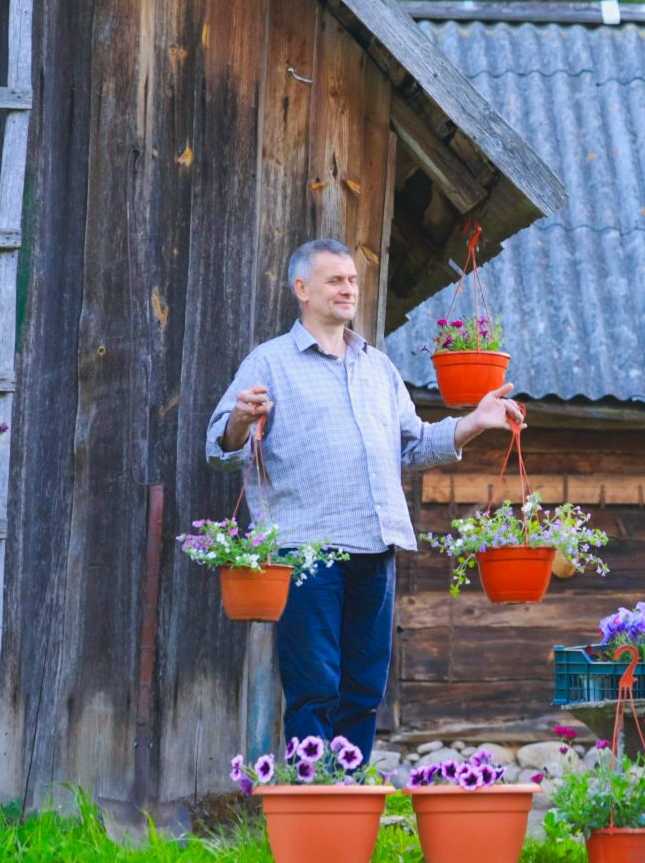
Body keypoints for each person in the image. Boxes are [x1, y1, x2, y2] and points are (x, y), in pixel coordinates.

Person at [206, 238, 523, 758]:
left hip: (375, 548)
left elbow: (414, 445)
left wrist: (473, 422)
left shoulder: (378, 367)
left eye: (352, 280)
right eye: (335, 280)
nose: (348, 289)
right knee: (315, 687)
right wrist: (241, 419)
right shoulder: (270, 362)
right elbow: (218, 449)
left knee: (364, 689)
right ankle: (312, 805)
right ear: (302, 290)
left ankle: (347, 796)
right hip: (306, 551)